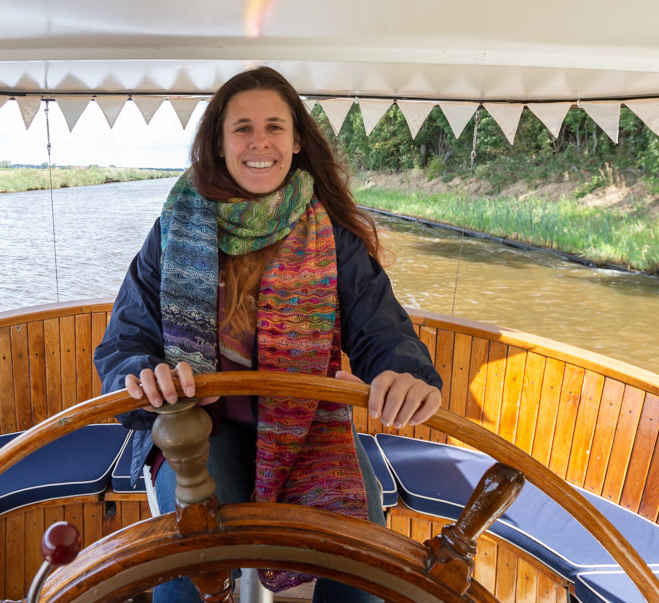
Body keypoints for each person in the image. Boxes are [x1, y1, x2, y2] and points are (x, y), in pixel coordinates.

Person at [93, 66, 443, 602]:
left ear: (297, 140)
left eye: (275, 127)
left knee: (367, 563)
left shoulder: (333, 236)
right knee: (188, 559)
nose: (260, 141)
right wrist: (142, 375)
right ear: (219, 142)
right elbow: (126, 339)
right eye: (242, 128)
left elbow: (380, 326)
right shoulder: (172, 229)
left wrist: (406, 371)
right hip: (199, 424)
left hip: (309, 424)